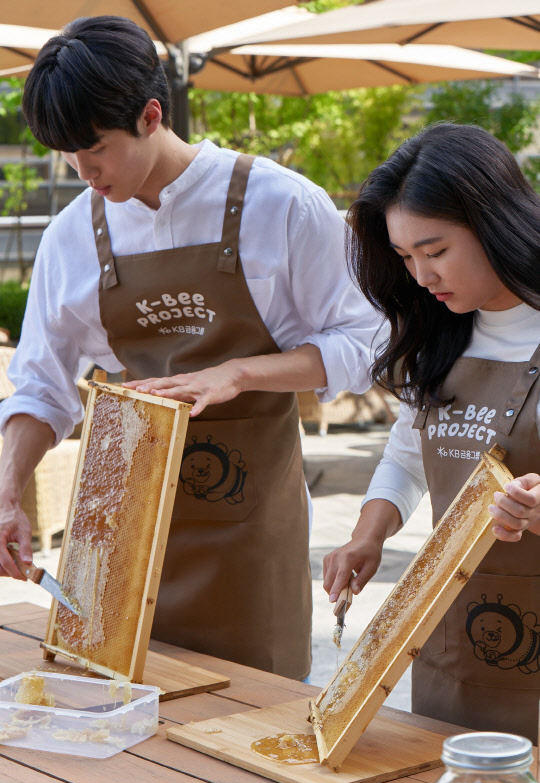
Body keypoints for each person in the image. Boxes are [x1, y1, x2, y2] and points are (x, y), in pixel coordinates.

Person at [0, 16, 383, 682]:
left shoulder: (283, 205)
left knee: (252, 724)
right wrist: (7, 493)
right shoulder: (70, 237)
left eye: (94, 150)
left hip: (252, 530)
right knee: (124, 730)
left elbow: (365, 340)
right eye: (65, 154)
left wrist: (237, 373)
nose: (82, 172)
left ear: (151, 115)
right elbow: (41, 385)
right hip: (122, 527)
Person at [323, 123, 540, 739]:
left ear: (494, 221)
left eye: (436, 251)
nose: (421, 277)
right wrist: (369, 535)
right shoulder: (440, 332)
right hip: (455, 635)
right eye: (405, 257)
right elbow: (409, 453)